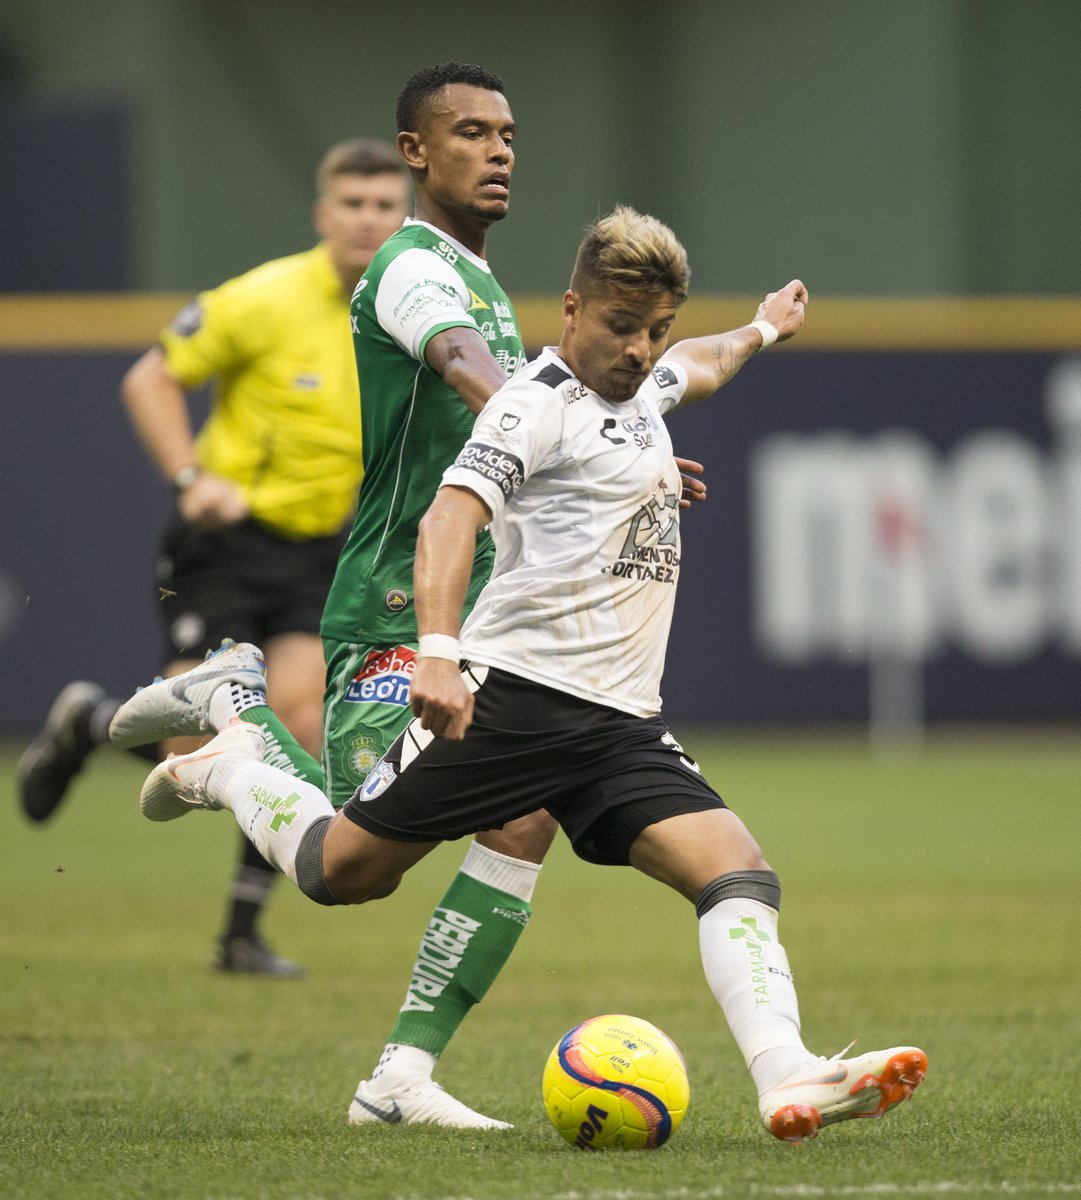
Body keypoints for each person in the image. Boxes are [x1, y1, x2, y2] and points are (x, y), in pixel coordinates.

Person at [117, 205, 927, 1142]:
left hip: (618, 723)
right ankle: (230, 757)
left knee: (739, 871)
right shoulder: (533, 402)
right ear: (573, 310)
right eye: (621, 328)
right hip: (510, 705)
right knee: (343, 872)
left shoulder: (641, 393)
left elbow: (696, 367)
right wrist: (439, 652)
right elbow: (449, 517)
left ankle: (789, 1073)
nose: (639, 349)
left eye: (653, 328)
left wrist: (758, 328)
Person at [17, 138, 411, 976]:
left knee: (289, 728)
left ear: (405, 216)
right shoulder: (264, 297)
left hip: (321, 551)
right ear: (323, 215)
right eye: (354, 204)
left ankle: (240, 935)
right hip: (226, 544)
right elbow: (149, 378)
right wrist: (190, 476)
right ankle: (88, 721)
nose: (369, 220)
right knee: (195, 745)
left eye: (385, 206)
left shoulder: (402, 310)